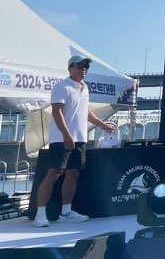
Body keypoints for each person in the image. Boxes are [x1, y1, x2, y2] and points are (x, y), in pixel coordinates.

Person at [33, 55, 118, 227]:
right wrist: (66, 135)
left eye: (85, 66)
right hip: (60, 139)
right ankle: (39, 215)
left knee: (73, 173)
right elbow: (56, 111)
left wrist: (103, 125)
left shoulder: (85, 89)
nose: (83, 69)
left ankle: (66, 212)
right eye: (79, 66)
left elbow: (86, 112)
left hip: (80, 138)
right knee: (54, 173)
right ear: (70, 68)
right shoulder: (62, 86)